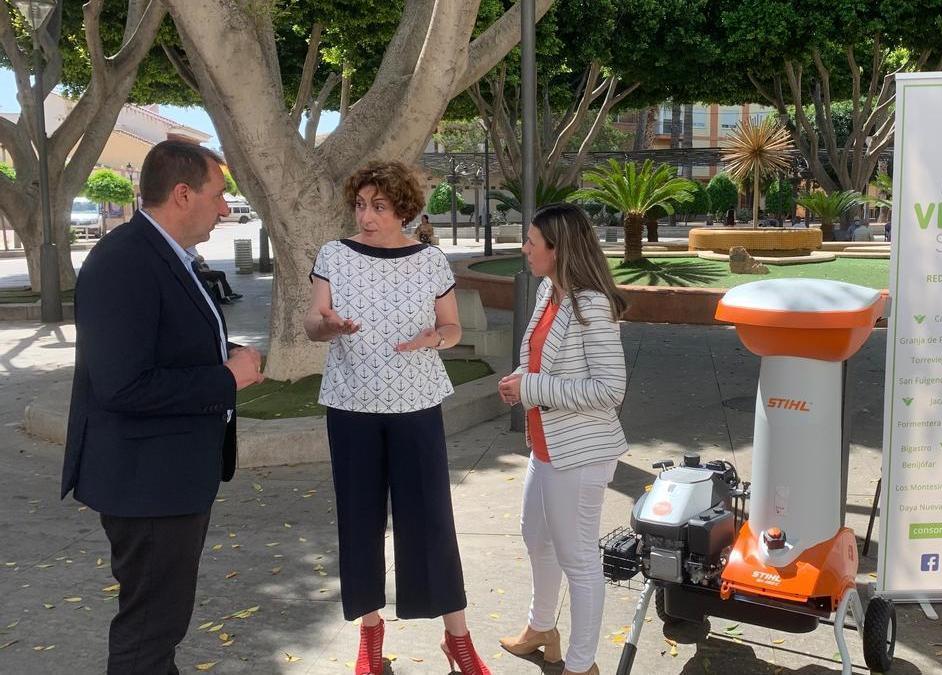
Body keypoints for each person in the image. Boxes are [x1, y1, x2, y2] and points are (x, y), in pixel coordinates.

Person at [61, 140, 264, 674]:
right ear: (181, 194)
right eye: (218, 195)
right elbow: (122, 386)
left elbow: (163, 346)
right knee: (149, 632)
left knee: (159, 627)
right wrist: (224, 378)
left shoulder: (167, 255)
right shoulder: (125, 261)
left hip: (168, 479)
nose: (225, 208)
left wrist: (224, 353)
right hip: (145, 484)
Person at [304, 161, 489, 675]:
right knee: (358, 520)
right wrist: (328, 326)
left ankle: (458, 639)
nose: (366, 215)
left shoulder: (430, 260)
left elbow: (451, 328)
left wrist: (435, 339)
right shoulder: (332, 256)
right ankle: (370, 633)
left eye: (378, 206)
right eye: (361, 205)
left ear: (403, 209)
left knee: (430, 520)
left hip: (416, 405)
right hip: (351, 406)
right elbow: (312, 322)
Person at [497, 203, 630, 675]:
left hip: (581, 453)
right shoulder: (547, 293)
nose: (524, 247)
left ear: (558, 249)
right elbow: (542, 364)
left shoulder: (591, 303)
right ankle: (541, 629)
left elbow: (610, 390)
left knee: (579, 559)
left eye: (532, 241)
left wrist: (531, 388)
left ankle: (581, 664)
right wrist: (520, 378)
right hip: (546, 446)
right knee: (536, 537)